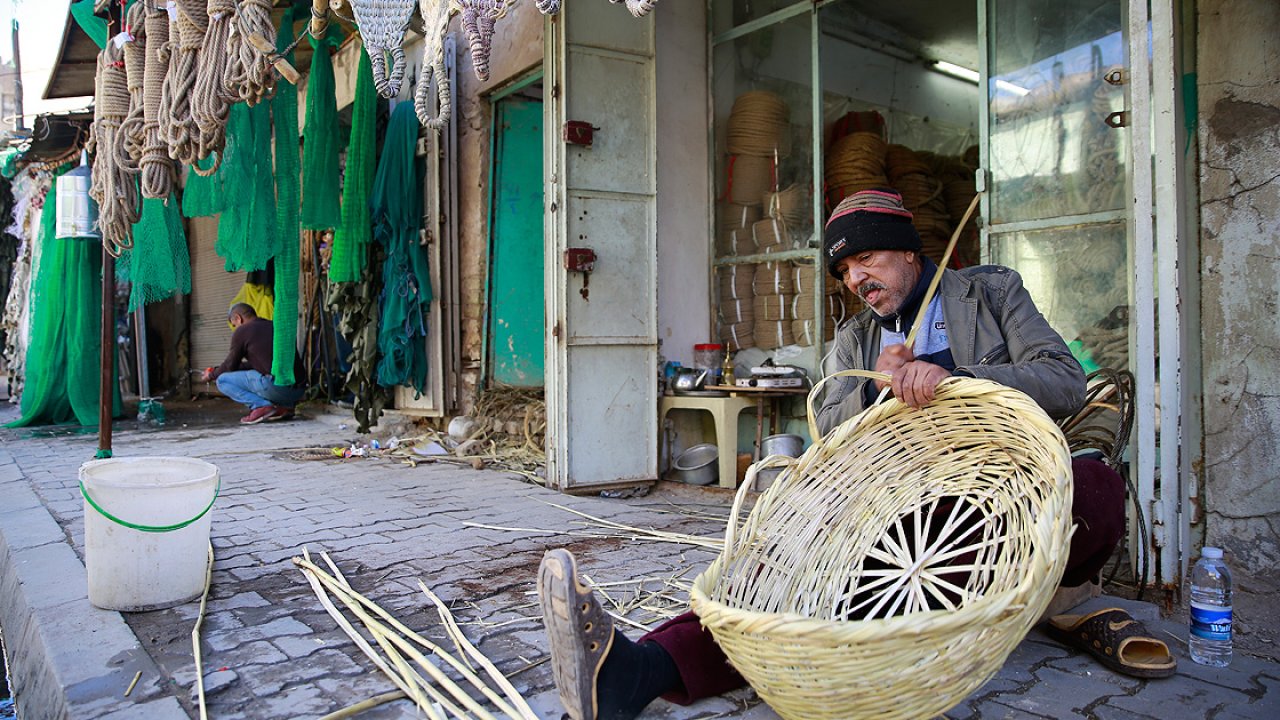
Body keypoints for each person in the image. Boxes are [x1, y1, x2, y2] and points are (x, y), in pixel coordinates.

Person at [536, 189, 1132, 720]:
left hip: (1003, 487)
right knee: (787, 558)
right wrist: (876, 389)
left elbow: (1063, 380)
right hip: (899, 501)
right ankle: (639, 673)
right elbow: (831, 437)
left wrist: (950, 374)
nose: (855, 279)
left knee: (1093, 484)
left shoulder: (990, 291)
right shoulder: (855, 338)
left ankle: (933, 614)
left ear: (908, 252)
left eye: (866, 259)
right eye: (844, 269)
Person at [201, 303, 305, 425]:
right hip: (298, 391)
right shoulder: (273, 325)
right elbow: (254, 365)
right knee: (256, 374)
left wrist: (212, 375)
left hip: (277, 389)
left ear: (238, 318)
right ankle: (284, 408)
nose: (235, 329)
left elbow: (230, 365)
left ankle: (262, 407)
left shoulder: (243, 331)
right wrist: (217, 369)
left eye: (234, 325)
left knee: (223, 380)